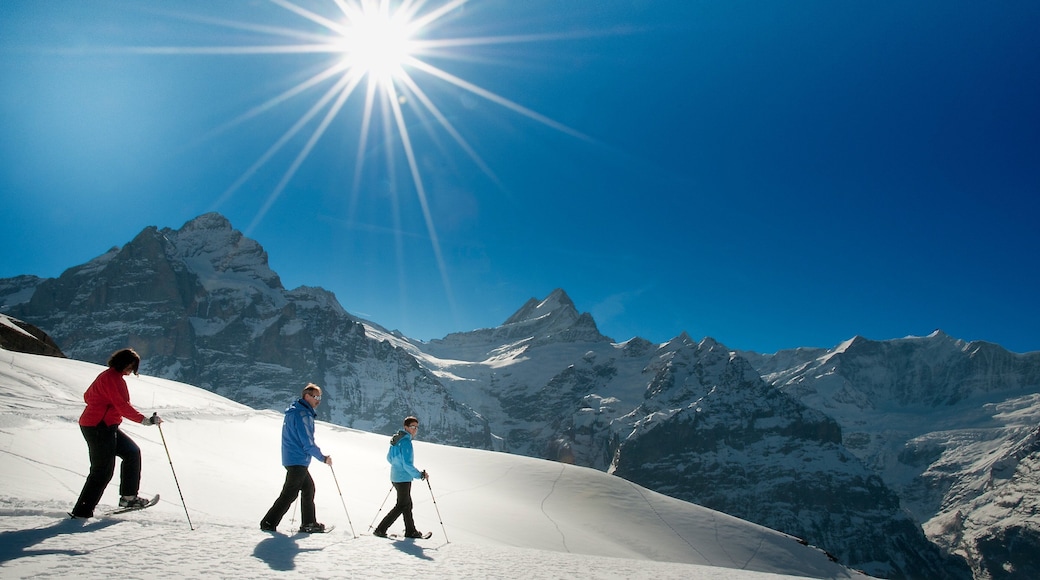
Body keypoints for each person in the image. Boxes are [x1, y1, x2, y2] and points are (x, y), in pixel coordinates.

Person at [71, 348, 163, 518]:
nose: (131, 371)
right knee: (102, 470)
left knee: (131, 452)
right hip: (98, 427)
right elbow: (122, 405)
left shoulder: (107, 376)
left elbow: (87, 396)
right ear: (125, 363)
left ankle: (128, 497)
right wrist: (145, 420)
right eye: (131, 366)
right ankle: (82, 511)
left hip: (104, 425)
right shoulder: (113, 379)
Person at [260, 383, 331, 533]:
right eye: (316, 397)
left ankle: (308, 523)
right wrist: (323, 458)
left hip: (292, 458)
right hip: (298, 459)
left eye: (320, 397)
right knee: (290, 494)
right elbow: (307, 441)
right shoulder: (303, 415)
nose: (318, 400)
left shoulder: (295, 411)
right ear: (307, 396)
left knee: (308, 488)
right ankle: (268, 522)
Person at [373, 416, 428, 538]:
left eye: (416, 427)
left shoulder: (396, 439)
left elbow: (389, 458)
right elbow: (407, 464)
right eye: (412, 426)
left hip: (395, 476)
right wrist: (420, 475)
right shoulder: (406, 442)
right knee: (402, 505)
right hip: (403, 478)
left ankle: (411, 531)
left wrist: (397, 466)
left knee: (407, 504)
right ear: (406, 427)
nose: (415, 429)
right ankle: (380, 529)